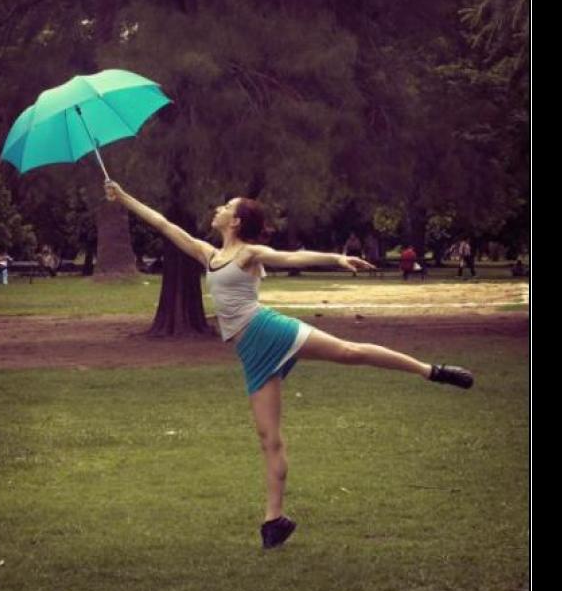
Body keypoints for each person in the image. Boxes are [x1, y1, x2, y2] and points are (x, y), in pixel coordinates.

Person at [104, 181, 474, 550]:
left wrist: (336, 259)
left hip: (269, 330)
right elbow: (165, 226)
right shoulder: (208, 255)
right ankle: (274, 521)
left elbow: (292, 258)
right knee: (269, 438)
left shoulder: (248, 254)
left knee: (348, 351)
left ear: (235, 222)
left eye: (225, 206)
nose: (217, 209)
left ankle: (432, 371)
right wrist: (123, 198)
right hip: (250, 352)